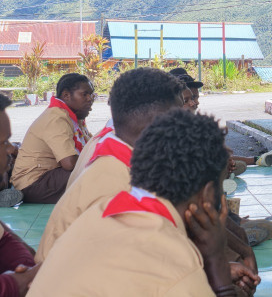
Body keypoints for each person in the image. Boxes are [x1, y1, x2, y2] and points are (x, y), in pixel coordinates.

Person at [28, 109, 259, 297]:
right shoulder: (179, 270)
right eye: (221, 187)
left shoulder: (98, 213)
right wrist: (219, 273)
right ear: (208, 194)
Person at [36, 68, 185, 261]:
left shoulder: (120, 154)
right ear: (156, 123)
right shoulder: (115, 186)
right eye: (179, 117)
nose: (185, 124)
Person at [10, 74, 94, 203]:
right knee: (95, 174)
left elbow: (91, 144)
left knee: (98, 171)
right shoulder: (57, 118)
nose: (90, 99)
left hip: (49, 175)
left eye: (92, 94)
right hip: (33, 183)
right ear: (66, 95)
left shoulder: (74, 117)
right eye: (85, 94)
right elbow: (70, 163)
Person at [0, 94, 39, 296]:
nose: (11, 148)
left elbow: (4, 240)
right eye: (3, 142)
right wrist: (12, 284)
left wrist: (26, 268)